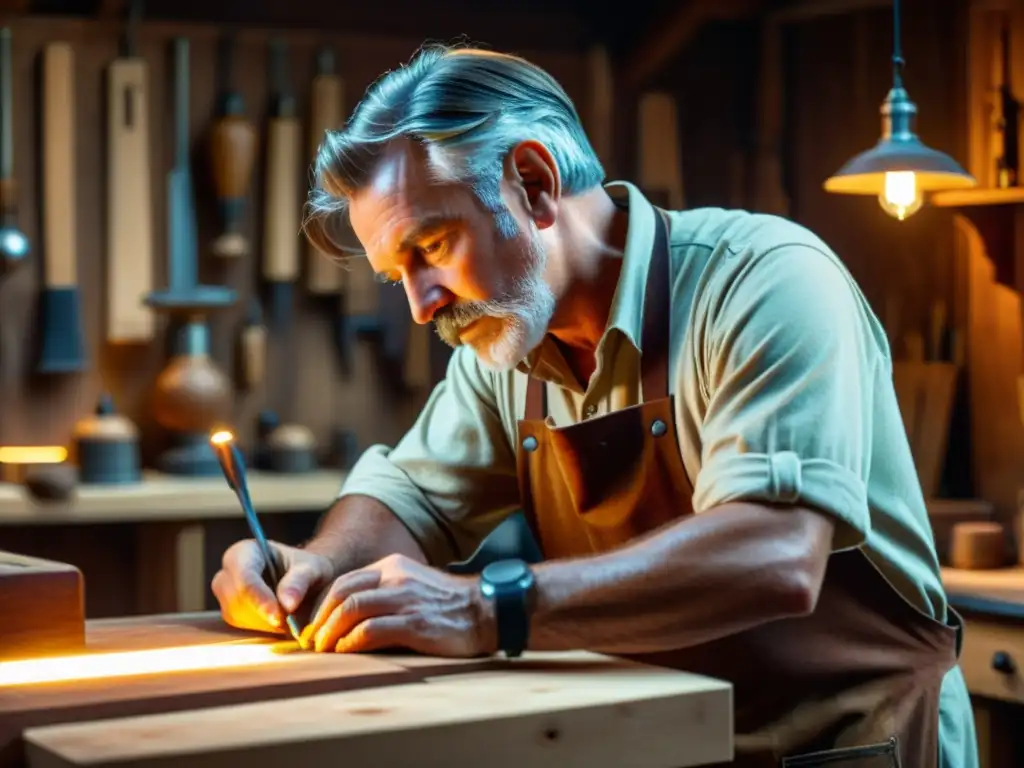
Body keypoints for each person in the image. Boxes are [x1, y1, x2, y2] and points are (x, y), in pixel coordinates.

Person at [212, 44, 977, 767]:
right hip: (668, 743)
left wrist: (487, 609)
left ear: (535, 185)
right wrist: (314, 568)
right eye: (395, 275)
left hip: (854, 743)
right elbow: (407, 500)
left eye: (432, 247)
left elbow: (774, 556)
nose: (419, 307)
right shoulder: (507, 345)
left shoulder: (764, 281)